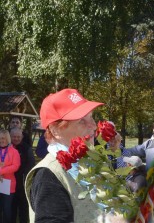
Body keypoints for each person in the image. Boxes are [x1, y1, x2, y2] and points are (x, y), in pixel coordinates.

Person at [24, 88, 125, 223]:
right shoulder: (48, 176)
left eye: (91, 117)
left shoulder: (88, 162)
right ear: (55, 130)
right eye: (82, 121)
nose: (93, 126)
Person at [10, 127, 36, 223]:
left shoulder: (27, 149)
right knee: (10, 208)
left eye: (18, 137)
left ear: (22, 137)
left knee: (23, 209)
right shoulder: (6, 147)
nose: (16, 139)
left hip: (22, 183)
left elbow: (31, 166)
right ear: (10, 136)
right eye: (14, 137)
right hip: (9, 183)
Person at [0, 129, 20, 223]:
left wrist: (1, 170)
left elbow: (16, 166)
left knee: (7, 209)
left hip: (8, 185)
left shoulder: (14, 151)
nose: (1, 140)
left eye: (3, 138)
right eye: (0, 138)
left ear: (7, 139)